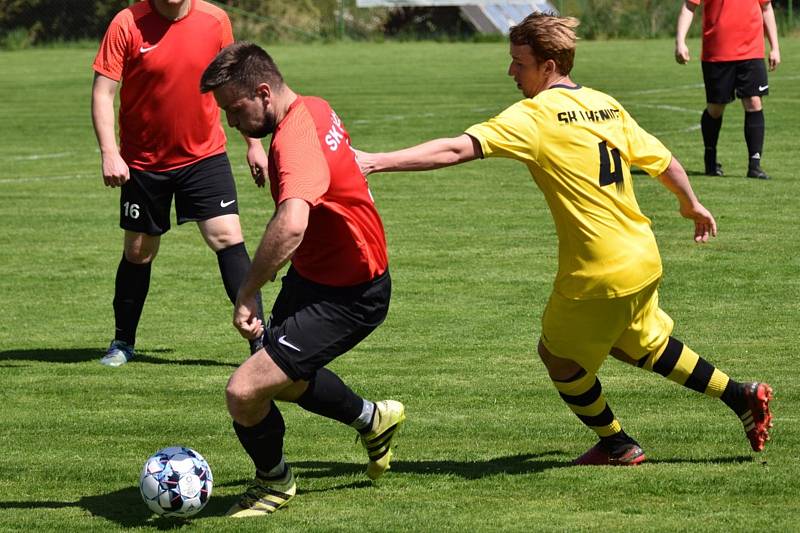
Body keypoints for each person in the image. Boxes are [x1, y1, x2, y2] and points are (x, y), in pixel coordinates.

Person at [356, 12, 773, 465]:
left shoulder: (534, 116)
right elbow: (666, 161)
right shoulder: (605, 104)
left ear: (548, 65)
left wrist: (376, 161)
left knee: (557, 357)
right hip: (642, 255)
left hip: (597, 270)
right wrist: (690, 204)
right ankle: (739, 395)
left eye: (519, 63)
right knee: (639, 343)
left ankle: (618, 444)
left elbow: (457, 148)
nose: (511, 72)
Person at [199, 42, 405, 517]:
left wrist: (247, 291)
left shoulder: (293, 142)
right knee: (285, 380)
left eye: (234, 109)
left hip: (350, 294)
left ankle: (275, 483)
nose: (231, 122)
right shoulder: (313, 106)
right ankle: (373, 419)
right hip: (317, 275)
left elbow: (292, 223)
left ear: (264, 92)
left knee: (245, 391)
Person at [91, 0, 266, 366]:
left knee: (228, 238)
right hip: (143, 163)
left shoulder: (215, 20)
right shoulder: (127, 23)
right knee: (139, 252)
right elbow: (103, 93)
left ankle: (260, 341)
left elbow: (236, 88)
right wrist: (110, 152)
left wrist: (253, 144)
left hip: (204, 157)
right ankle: (122, 343)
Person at [675, 0, 781, 179]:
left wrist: (775, 48)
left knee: (754, 102)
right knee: (715, 109)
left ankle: (754, 165)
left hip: (752, 51)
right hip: (716, 53)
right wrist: (680, 42)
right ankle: (710, 158)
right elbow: (689, 7)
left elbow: (767, 8)